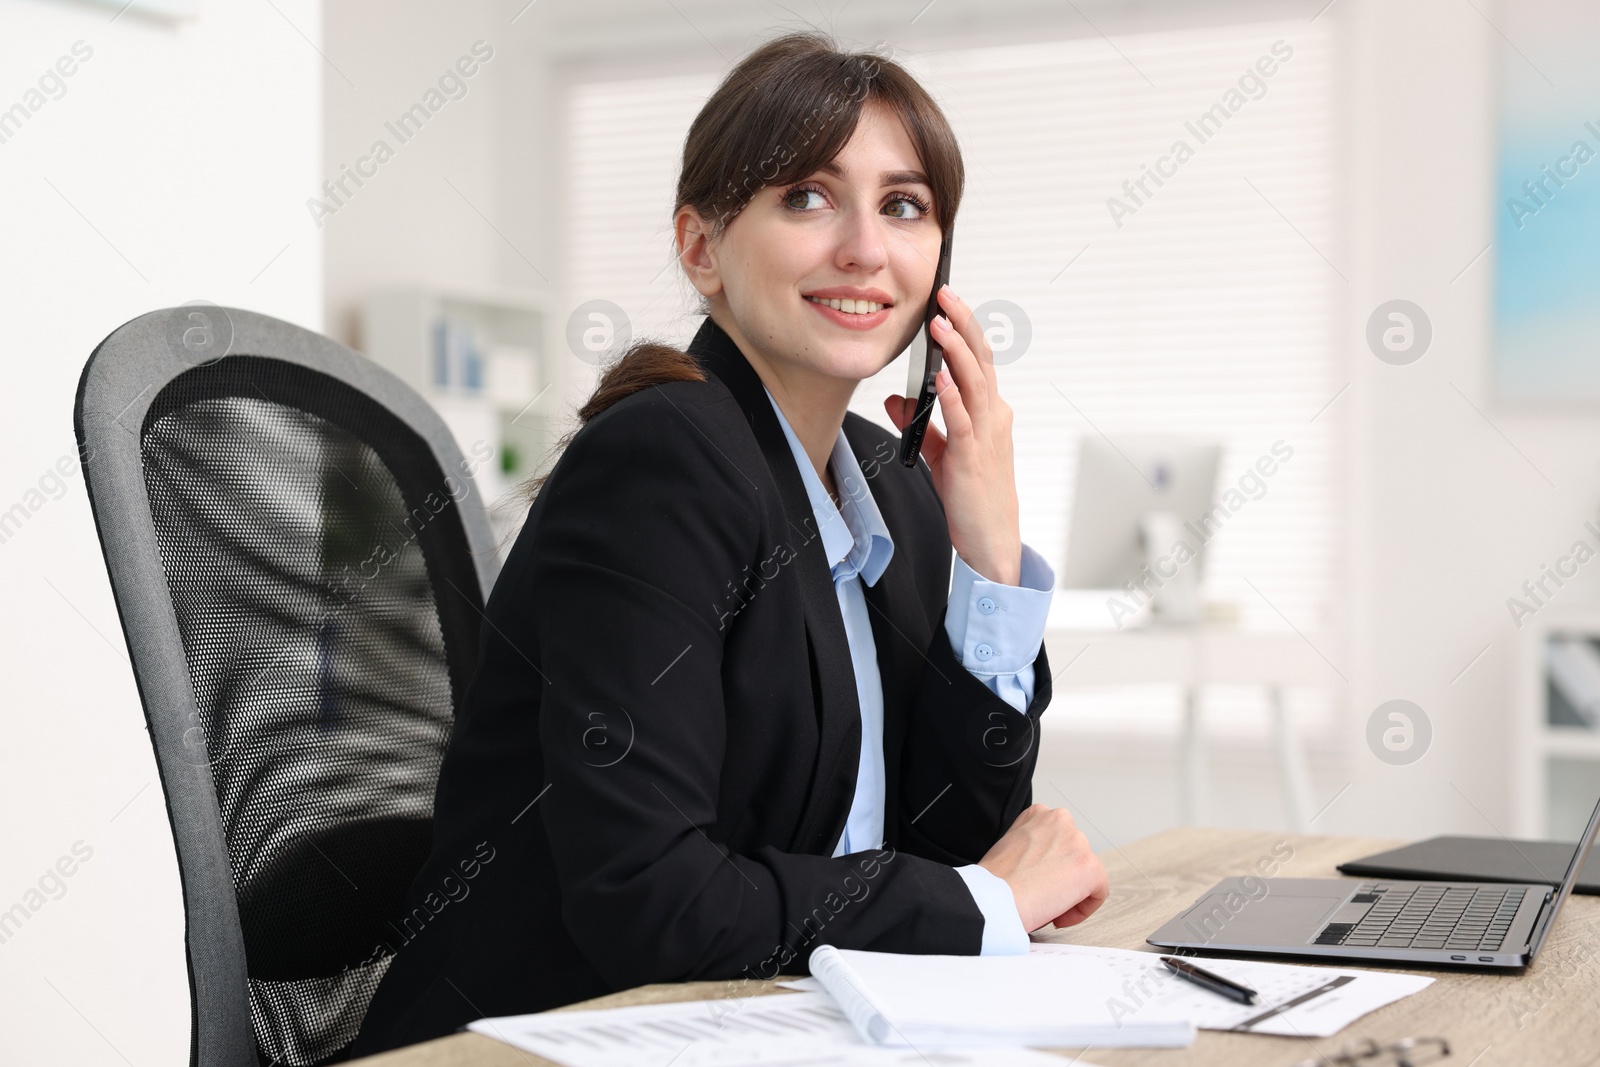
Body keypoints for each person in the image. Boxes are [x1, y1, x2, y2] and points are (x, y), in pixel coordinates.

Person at [351, 29, 1107, 1057]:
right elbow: (649, 898)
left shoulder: (890, 485)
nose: (864, 248)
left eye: (903, 204)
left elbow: (953, 845)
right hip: (543, 1036)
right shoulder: (662, 461)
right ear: (702, 247)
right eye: (806, 195)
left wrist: (989, 559)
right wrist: (978, 902)